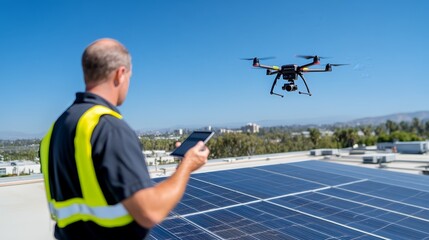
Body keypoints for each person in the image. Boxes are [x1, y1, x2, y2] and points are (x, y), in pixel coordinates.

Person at [39, 38, 209, 240]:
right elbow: (150, 211)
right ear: (120, 74)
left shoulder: (56, 129)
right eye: (130, 76)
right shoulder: (108, 127)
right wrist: (187, 166)